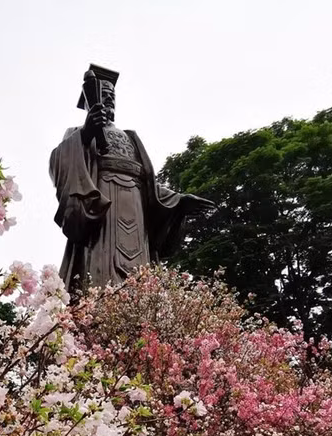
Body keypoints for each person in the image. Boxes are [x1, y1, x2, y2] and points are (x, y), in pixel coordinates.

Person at [49, 64, 214, 294]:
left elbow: (149, 186)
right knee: (100, 275)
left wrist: (178, 201)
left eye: (112, 97)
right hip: (103, 208)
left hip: (136, 211)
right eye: (103, 96)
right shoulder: (77, 133)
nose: (109, 101)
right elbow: (60, 160)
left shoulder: (130, 137)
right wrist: (87, 133)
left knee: (142, 278)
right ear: (89, 103)